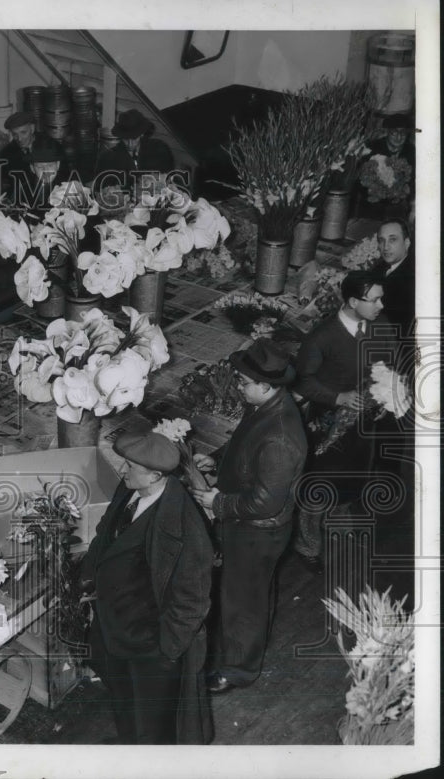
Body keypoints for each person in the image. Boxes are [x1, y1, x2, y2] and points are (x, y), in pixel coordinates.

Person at [80, 432, 214, 744]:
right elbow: (105, 533)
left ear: (156, 475)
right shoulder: (131, 488)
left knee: (154, 722)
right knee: (123, 699)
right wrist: (89, 577)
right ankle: (130, 746)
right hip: (116, 627)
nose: (122, 470)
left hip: (150, 644)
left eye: (129, 466)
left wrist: (166, 651)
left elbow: (192, 602)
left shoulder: (183, 527)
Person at [190, 339, 308, 693]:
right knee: (248, 592)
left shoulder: (281, 439)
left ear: (266, 386)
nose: (239, 387)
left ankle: (238, 670)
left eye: (243, 383)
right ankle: (240, 655)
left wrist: (218, 502)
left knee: (244, 600)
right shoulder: (265, 406)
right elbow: (245, 442)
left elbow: (265, 503)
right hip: (250, 526)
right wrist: (219, 459)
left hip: (258, 532)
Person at [291, 271, 399, 572]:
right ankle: (308, 543)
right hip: (329, 426)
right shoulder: (322, 337)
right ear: (353, 302)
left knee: (354, 475)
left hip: (365, 423)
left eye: (380, 297)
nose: (381, 304)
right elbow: (303, 381)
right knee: (321, 482)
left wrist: (387, 394)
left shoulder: (383, 325)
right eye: (374, 299)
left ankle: (338, 521)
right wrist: (339, 398)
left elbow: (390, 364)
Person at [92, 109, 175, 196]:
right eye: (126, 139)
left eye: (134, 138)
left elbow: (170, 180)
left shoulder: (159, 149)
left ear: (141, 134)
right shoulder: (107, 158)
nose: (130, 144)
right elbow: (100, 191)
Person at [0, 111, 65, 210]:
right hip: (22, 202)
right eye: (15, 134)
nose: (19, 138)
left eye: (23, 132)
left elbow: (64, 176)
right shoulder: (7, 153)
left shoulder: (50, 146)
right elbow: (1, 182)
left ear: (32, 128)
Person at [373, 219, 415, 337]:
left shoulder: (409, 280)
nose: (386, 247)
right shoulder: (382, 267)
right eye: (382, 240)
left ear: (406, 243)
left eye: (393, 240)